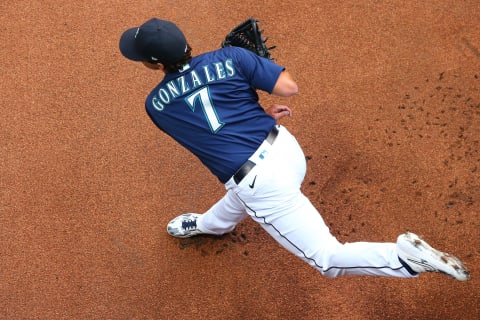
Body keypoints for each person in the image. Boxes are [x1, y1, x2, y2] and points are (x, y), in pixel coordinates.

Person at [119, 17, 470, 281]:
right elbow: (288, 88)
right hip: (286, 149)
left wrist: (241, 100)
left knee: (327, 260)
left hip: (261, 183)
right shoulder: (232, 57)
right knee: (241, 197)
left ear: (155, 64)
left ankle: (405, 259)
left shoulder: (156, 106)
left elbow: (210, 129)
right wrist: (249, 77)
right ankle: (210, 225)